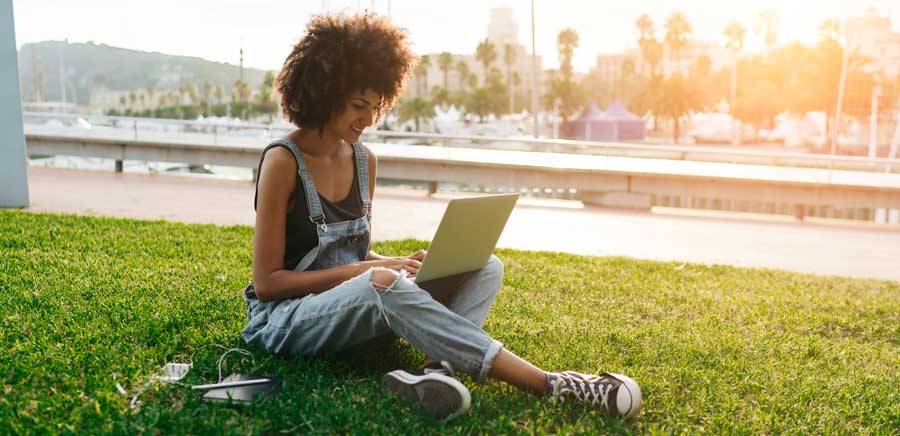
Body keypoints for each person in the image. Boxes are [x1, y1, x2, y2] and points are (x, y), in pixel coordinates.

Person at [240, 12, 642, 420]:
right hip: (286, 321)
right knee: (382, 283)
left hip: (348, 312)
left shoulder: (364, 161)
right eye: (359, 105)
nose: (369, 119)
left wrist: (399, 263)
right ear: (325, 91)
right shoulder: (283, 162)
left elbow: (349, 253)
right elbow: (269, 284)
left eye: (376, 107)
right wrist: (371, 271)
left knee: (484, 266)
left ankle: (435, 372)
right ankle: (552, 384)